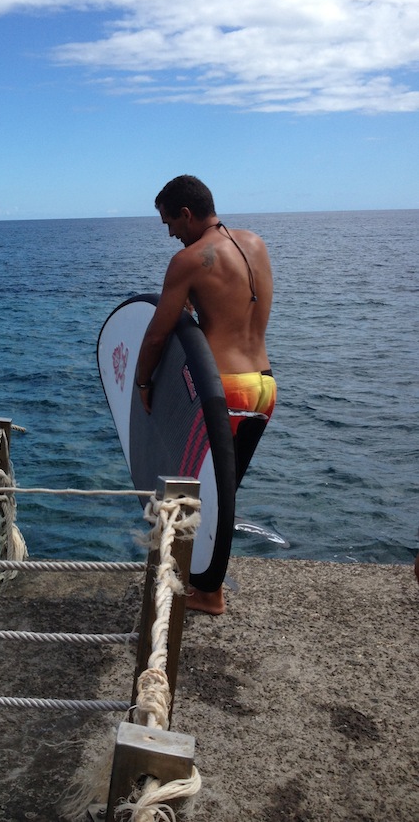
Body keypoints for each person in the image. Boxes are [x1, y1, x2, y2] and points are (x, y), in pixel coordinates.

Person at [135, 175, 276, 615]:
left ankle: (209, 592)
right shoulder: (254, 243)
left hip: (223, 388)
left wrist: (143, 383)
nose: (170, 233)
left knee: (200, 494)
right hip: (263, 385)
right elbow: (234, 308)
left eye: (169, 223)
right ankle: (203, 583)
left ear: (187, 214)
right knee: (224, 490)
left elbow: (158, 335)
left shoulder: (189, 260)